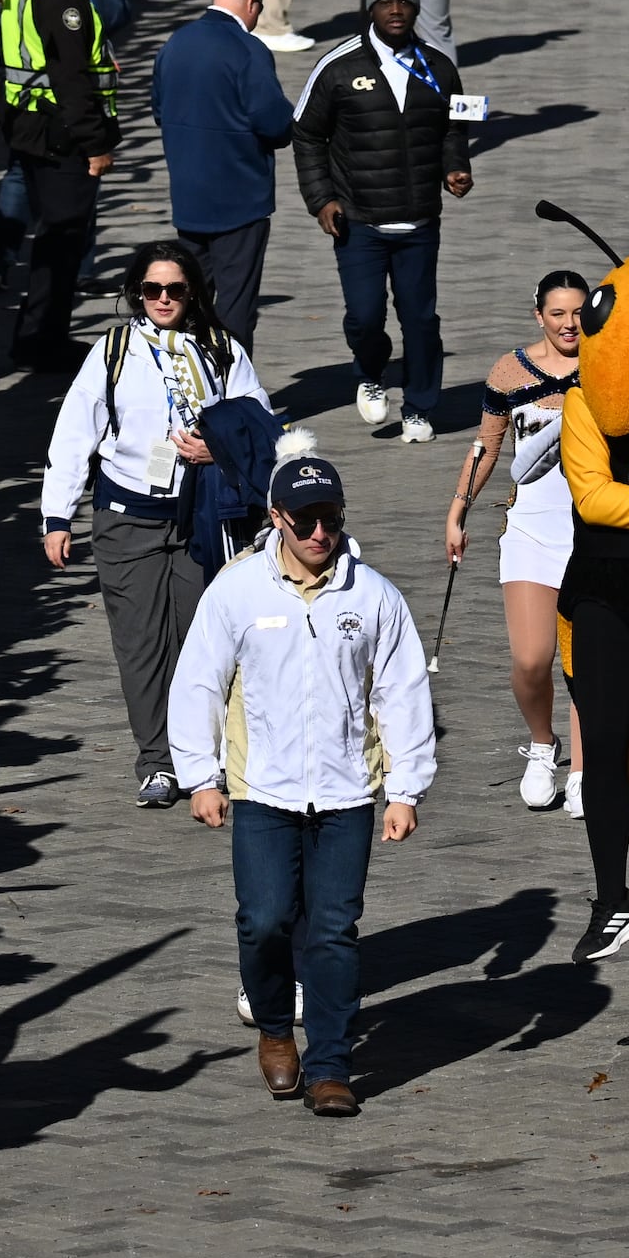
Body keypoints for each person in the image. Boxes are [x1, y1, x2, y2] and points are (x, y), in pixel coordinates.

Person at [168, 448, 435, 1118]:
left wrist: (404, 788)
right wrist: (200, 776)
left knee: (334, 929)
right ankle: (274, 1027)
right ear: (276, 516)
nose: (321, 532)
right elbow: (198, 680)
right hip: (262, 789)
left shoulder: (373, 595)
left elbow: (402, 691)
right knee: (263, 921)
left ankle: (331, 1065)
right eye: (307, 519)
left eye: (332, 518)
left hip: (346, 793)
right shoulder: (237, 590)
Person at [38, 245, 270, 806]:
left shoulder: (221, 349)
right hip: (126, 519)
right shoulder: (114, 350)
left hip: (203, 517)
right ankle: (157, 762)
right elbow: (76, 432)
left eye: (175, 290)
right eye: (152, 290)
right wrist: (56, 516)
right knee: (141, 645)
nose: (163, 299)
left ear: (193, 293)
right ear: (136, 293)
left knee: (202, 641)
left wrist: (217, 449)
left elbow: (258, 421)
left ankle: (205, 759)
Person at [290, 0, 471, 444]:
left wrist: (456, 167)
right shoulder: (339, 65)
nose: (396, 11)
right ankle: (371, 373)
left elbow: (455, 125)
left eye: (405, 4)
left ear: (416, 11)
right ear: (370, 10)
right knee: (365, 318)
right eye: (386, 3)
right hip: (359, 223)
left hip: (419, 223)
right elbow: (306, 133)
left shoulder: (439, 67)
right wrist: (321, 200)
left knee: (421, 320)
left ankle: (419, 408)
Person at [444, 271, 585, 817]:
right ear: (539, 316)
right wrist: (459, 510)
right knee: (532, 659)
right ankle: (543, 745)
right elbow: (487, 445)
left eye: (578, 313)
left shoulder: (608, 365)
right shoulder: (510, 371)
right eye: (557, 314)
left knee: (587, 663)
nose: (569, 324)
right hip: (530, 530)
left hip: (592, 531)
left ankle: (583, 769)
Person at [0, 0, 120, 370]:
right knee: (63, 240)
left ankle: (39, 337)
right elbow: (71, 78)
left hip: (29, 124)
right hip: (60, 134)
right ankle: (41, 341)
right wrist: (96, 144)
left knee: (53, 236)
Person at [151, 0, 300, 347]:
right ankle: (232, 396)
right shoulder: (248, 50)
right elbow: (275, 123)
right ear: (252, 1)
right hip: (239, 199)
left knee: (188, 301)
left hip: (188, 195)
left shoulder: (176, 43)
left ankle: (187, 391)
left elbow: (158, 110)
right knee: (235, 306)